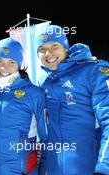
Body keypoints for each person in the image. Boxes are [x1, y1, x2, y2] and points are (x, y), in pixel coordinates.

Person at [37, 25, 109, 175]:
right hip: (53, 169)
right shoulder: (44, 82)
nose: (48, 53)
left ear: (65, 48)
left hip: (89, 167)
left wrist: (104, 167)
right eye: (41, 49)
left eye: (54, 45)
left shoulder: (95, 71)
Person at [0, 37, 48, 175]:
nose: (4, 67)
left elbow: (46, 137)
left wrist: (41, 165)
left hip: (23, 170)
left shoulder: (35, 94)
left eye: (11, 62)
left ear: (19, 64)